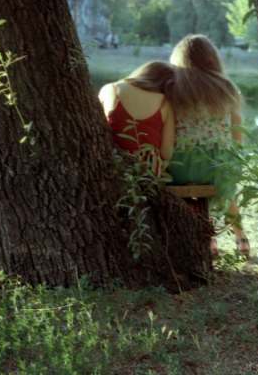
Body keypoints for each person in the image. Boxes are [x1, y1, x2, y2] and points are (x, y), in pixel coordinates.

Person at [166, 34, 250, 257]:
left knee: (198, 180)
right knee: (227, 186)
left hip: (180, 166)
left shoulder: (172, 88)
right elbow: (237, 137)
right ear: (213, 58)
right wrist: (234, 164)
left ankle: (209, 238)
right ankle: (241, 238)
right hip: (218, 166)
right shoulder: (227, 88)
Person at [99, 61, 176, 176]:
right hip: (147, 172)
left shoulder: (111, 89)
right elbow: (166, 153)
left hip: (114, 164)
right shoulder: (164, 103)